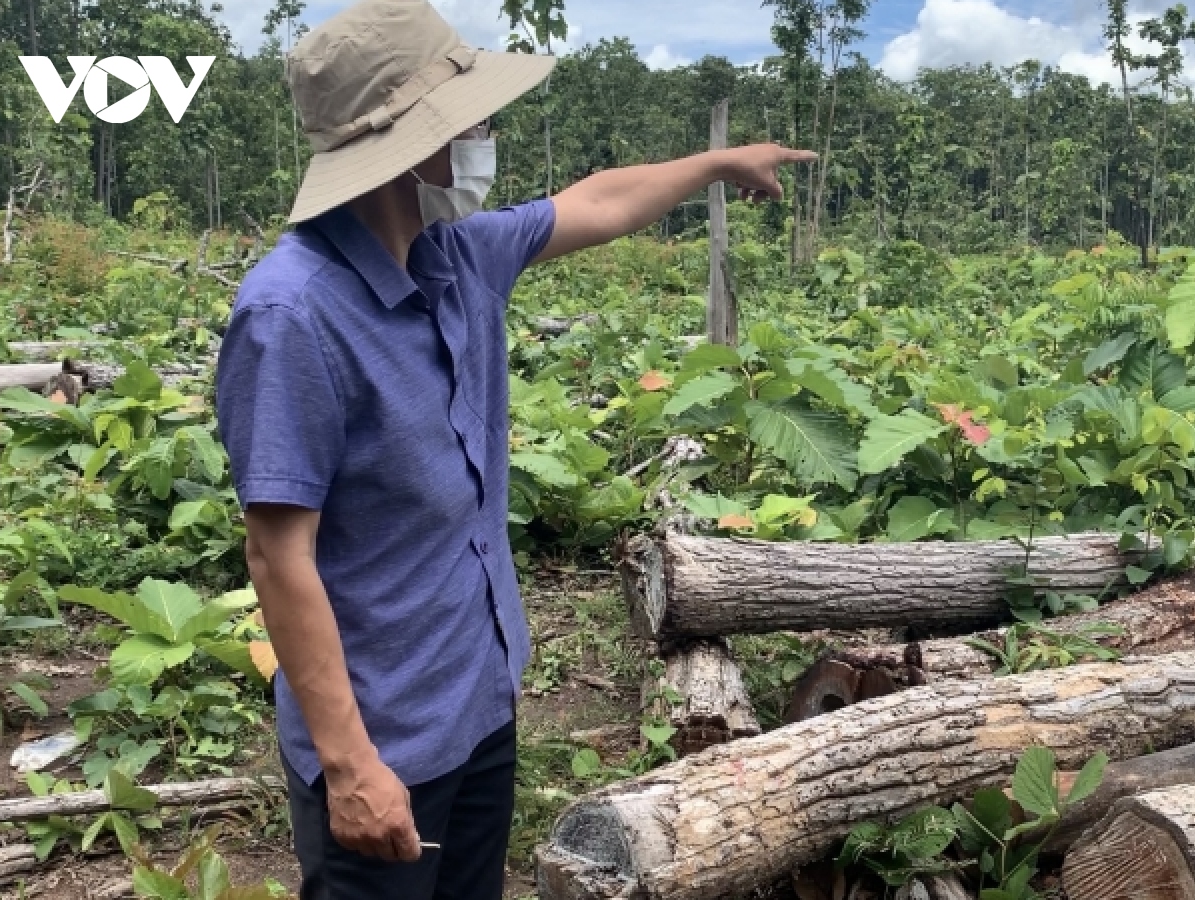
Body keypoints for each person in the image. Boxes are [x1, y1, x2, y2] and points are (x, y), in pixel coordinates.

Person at [213, 1, 814, 897]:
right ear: (422, 144)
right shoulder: (292, 314)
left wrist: (716, 164)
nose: (484, 135)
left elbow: (597, 201)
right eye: (474, 121)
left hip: (476, 700)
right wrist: (350, 768)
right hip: (383, 744)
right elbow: (278, 554)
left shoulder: (456, 253)